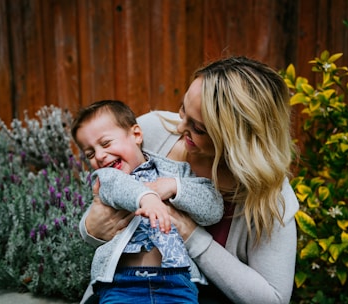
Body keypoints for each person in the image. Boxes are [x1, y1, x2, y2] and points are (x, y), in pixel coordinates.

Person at [81, 56, 300, 303]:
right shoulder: (151, 131)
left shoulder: (270, 195)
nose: (179, 127)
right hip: (123, 289)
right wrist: (92, 228)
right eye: (183, 108)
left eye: (199, 129)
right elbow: (105, 198)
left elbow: (272, 299)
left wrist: (191, 235)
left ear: (237, 140)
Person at [71, 100, 224, 304]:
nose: (99, 156)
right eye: (90, 153)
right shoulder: (106, 180)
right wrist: (147, 197)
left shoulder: (176, 172)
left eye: (106, 143)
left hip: (177, 281)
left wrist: (175, 187)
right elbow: (120, 187)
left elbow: (212, 208)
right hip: (122, 284)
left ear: (136, 135)